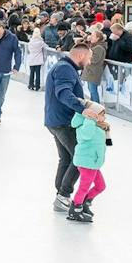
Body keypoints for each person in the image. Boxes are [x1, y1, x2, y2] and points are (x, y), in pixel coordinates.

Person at [45, 39, 101, 213]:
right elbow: (63, 93)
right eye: (90, 58)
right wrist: (83, 109)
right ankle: (63, 195)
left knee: (67, 158)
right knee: (80, 158)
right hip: (63, 122)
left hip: (56, 120)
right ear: (81, 55)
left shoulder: (66, 68)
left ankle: (61, 195)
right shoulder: (65, 69)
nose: (90, 62)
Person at [66, 103, 111, 223]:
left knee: (101, 186)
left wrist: (103, 127)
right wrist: (90, 119)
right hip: (87, 162)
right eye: (102, 114)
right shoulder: (86, 125)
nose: (104, 117)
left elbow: (105, 141)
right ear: (94, 114)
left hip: (93, 162)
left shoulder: (95, 125)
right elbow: (86, 135)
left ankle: (84, 203)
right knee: (84, 187)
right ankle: (75, 209)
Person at [25, 25, 46, 91]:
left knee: (32, 73)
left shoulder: (31, 42)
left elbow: (29, 49)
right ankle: (37, 86)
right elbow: (46, 46)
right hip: (38, 60)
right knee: (38, 73)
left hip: (32, 59)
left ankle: (31, 84)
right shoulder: (41, 42)